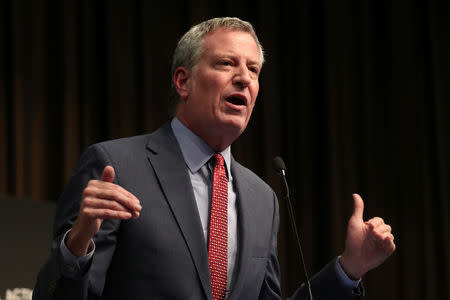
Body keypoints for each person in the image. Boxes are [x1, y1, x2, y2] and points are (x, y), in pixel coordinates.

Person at [33, 17, 395, 300]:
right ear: (183, 81)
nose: (244, 78)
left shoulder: (261, 198)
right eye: (226, 63)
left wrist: (350, 268)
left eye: (253, 70)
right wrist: (77, 247)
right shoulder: (117, 165)